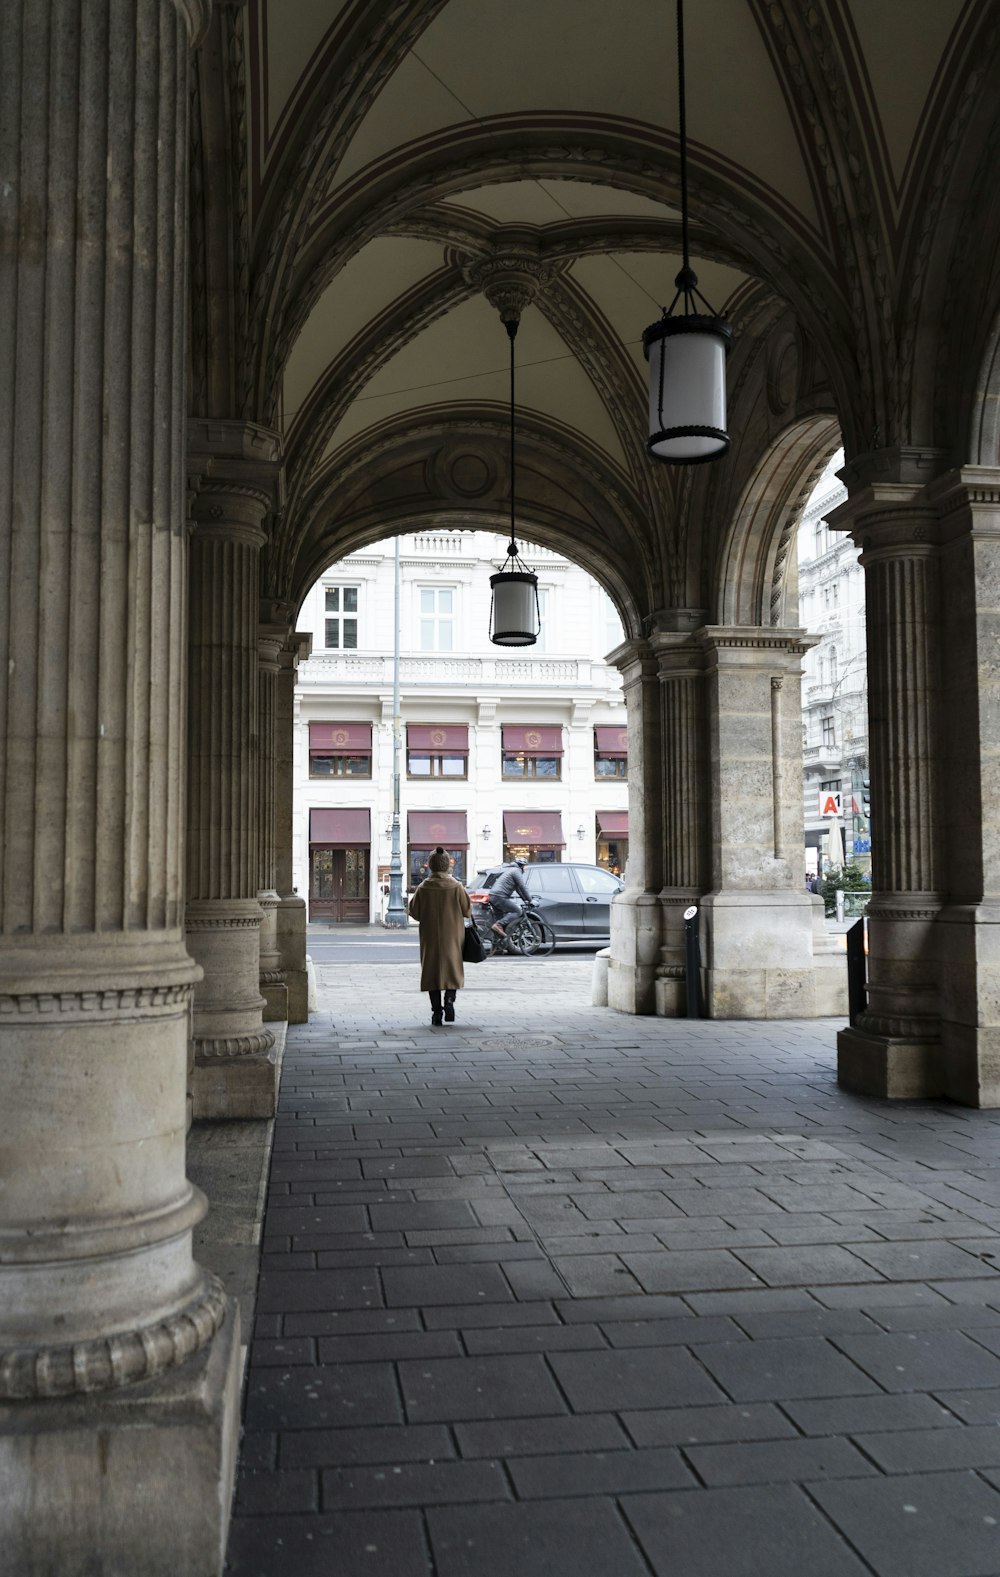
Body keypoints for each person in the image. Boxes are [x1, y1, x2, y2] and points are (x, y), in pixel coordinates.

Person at [407, 846, 471, 1026]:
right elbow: (467, 910)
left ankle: (436, 1012)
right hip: (453, 935)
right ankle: (450, 1000)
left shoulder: (423, 887)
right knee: (452, 968)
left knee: (432, 972)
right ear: (446, 865)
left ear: (431, 866)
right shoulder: (457, 887)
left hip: (430, 936)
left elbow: (414, 912)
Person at [488, 857, 531, 936]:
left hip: (494, 896)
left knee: (500, 928)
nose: (526, 869)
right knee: (517, 911)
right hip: (500, 896)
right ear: (521, 866)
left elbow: (518, 889)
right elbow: (522, 886)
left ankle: (497, 946)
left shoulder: (512, 870)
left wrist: (525, 899)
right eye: (525, 866)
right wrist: (530, 900)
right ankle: (498, 924)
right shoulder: (516, 871)